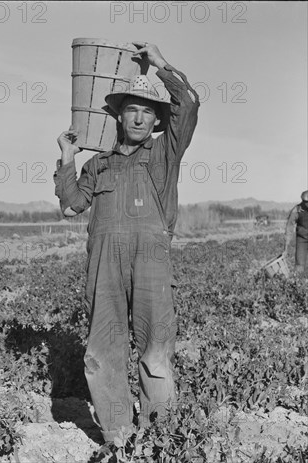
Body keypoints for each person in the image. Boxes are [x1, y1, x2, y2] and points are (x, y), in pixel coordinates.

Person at [54, 42, 200, 444]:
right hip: (104, 266)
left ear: (156, 119)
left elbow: (187, 104)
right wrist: (67, 157)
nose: (138, 117)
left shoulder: (165, 153)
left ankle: (159, 436)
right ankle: (118, 436)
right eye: (131, 109)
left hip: (152, 262)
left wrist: (161, 64)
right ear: (118, 115)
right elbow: (71, 207)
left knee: (155, 352)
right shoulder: (96, 164)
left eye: (147, 111)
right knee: (102, 353)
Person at [284, 190, 308, 273]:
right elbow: (289, 227)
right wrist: (286, 247)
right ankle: (300, 283)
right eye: (305, 202)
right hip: (302, 239)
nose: (306, 204)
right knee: (299, 264)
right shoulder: (296, 210)